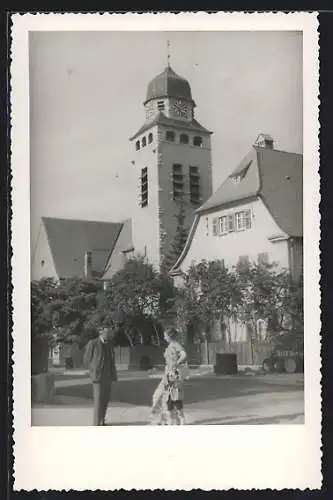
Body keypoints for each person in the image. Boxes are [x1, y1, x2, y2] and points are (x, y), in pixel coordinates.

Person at [151, 327, 187, 425]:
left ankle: (170, 420)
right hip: (168, 374)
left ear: (170, 336)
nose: (164, 337)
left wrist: (177, 364)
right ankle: (165, 419)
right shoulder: (171, 345)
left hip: (173, 375)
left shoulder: (176, 345)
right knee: (163, 396)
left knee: (169, 397)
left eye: (165, 335)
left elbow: (184, 355)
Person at [83, 326, 118, 426]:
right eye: (107, 332)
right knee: (98, 400)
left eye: (109, 333)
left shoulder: (110, 344)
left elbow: (112, 360)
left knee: (105, 400)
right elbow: (86, 359)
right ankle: (96, 424)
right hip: (97, 377)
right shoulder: (93, 343)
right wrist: (92, 371)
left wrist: (113, 375)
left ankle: (102, 421)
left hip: (108, 376)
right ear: (101, 332)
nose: (108, 334)